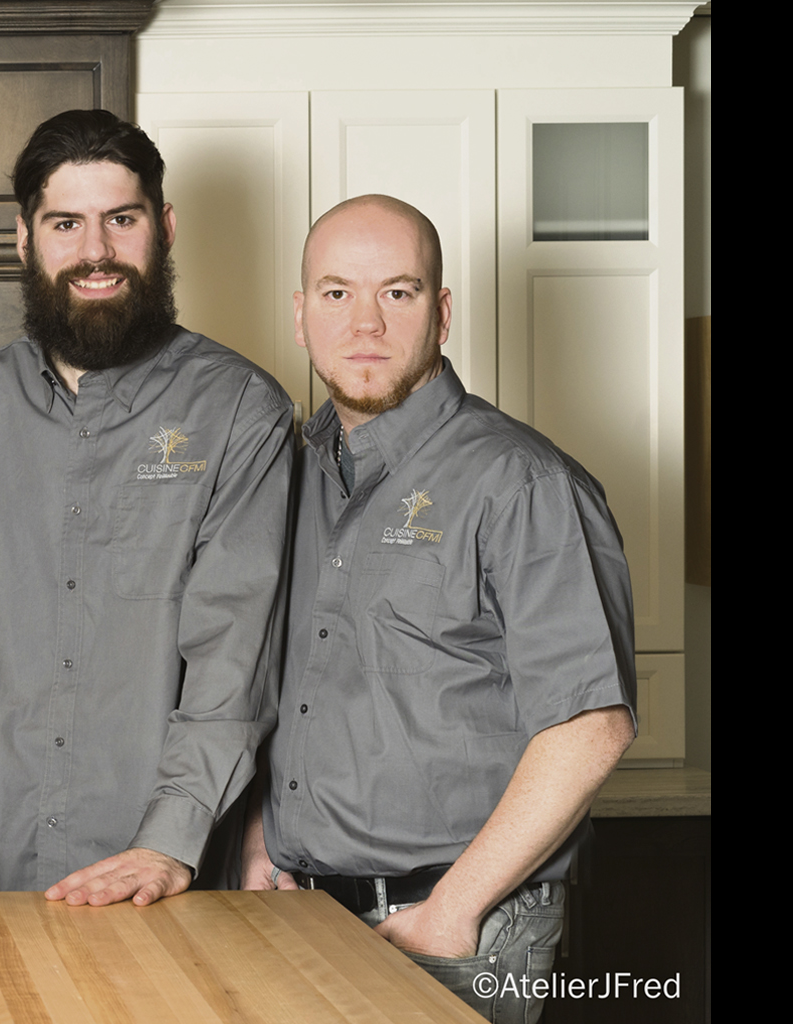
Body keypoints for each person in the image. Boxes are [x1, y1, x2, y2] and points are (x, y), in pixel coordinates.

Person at [243, 194, 636, 1022]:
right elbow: (276, 686)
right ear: (302, 315)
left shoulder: (523, 483)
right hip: (297, 918)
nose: (366, 323)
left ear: (443, 312)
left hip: (456, 927)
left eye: (399, 291)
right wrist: (257, 839)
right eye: (338, 293)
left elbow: (590, 725)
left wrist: (452, 911)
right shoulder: (287, 475)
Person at [0, 109, 292, 904]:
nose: (96, 251)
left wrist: (167, 845)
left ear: (164, 227)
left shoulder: (240, 409)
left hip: (169, 884)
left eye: (121, 219)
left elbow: (234, 662)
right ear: (25, 239)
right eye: (66, 224)